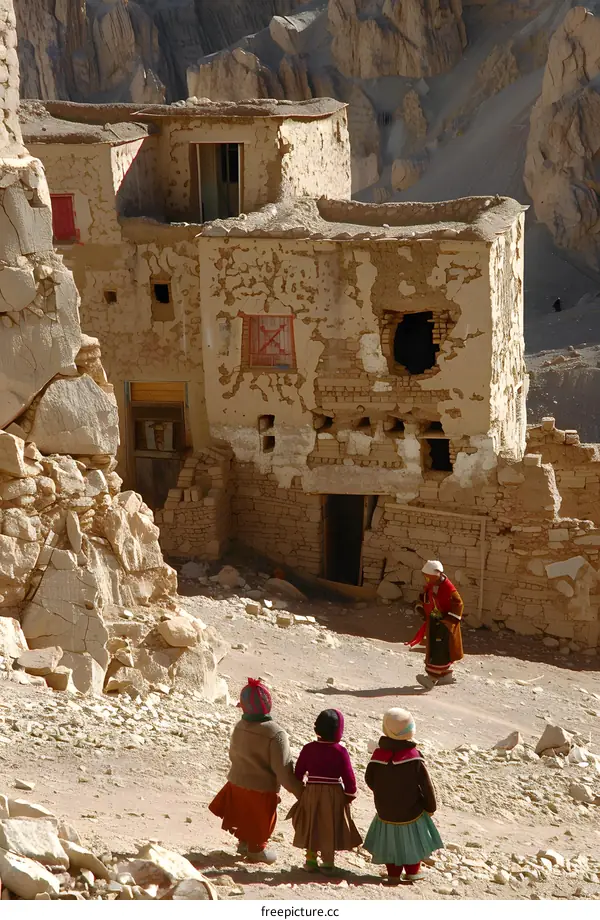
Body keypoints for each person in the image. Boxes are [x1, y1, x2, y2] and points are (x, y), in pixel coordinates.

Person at [209, 678, 302, 864]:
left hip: (236, 784)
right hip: (261, 791)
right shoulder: (276, 733)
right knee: (259, 822)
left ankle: (243, 842)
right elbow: (283, 771)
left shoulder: (239, 726)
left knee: (242, 814)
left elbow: (233, 755)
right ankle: (255, 850)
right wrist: (301, 793)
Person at [364, 708, 443, 884]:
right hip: (411, 811)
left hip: (385, 811)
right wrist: (430, 807)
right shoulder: (414, 758)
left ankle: (393, 873)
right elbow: (426, 785)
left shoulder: (378, 756)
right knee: (412, 842)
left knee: (391, 843)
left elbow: (369, 779)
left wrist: (383, 794)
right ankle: (412, 871)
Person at [287, 708, 362, 875]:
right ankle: (328, 863)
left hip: (311, 792)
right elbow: (349, 777)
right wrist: (349, 795)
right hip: (333, 793)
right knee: (329, 826)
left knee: (312, 824)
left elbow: (298, 773)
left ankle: (311, 861)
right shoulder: (340, 751)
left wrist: (302, 791)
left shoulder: (308, 748)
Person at [416, 560, 464, 690]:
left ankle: (432, 679)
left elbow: (458, 604)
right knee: (436, 649)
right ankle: (445, 677)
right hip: (435, 621)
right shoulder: (433, 584)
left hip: (445, 624)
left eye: (428, 577)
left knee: (440, 651)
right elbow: (427, 597)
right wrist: (422, 608)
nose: (426, 579)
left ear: (437, 574)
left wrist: (447, 622)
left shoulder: (448, 588)